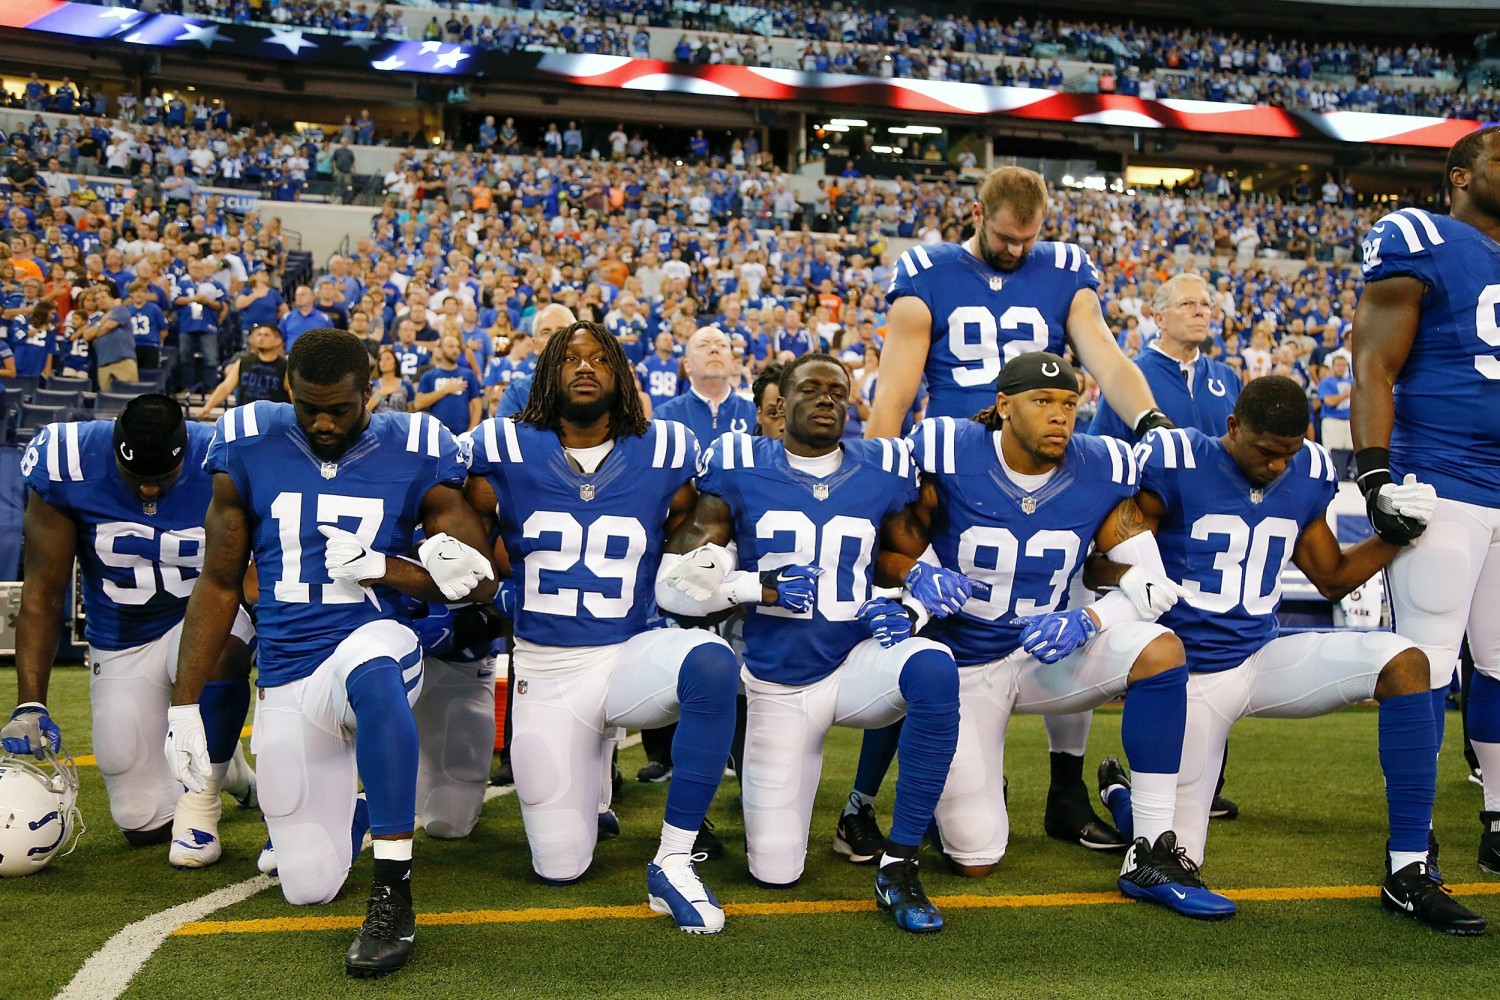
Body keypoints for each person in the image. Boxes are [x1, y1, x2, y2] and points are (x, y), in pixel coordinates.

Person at [167, 329, 497, 977]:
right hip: (290, 673)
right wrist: (183, 707)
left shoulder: (421, 446)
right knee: (307, 884)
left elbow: (477, 581)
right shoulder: (246, 439)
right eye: (308, 406)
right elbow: (218, 581)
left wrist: (387, 568)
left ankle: (393, 893)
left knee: (372, 671)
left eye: (340, 409)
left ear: (369, 391)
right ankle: (360, 808)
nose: (322, 421)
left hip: (378, 640)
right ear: (287, 389)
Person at [1102, 377, 1485, 934]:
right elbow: (1101, 558)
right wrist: (1130, 576)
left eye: (1290, 451)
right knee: (1175, 854)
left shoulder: (1307, 471)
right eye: (1265, 451)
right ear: (1233, 428)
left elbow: (1330, 578)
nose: (1278, 465)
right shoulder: (1176, 458)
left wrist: (1396, 535)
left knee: (1406, 663)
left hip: (1260, 659)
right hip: (1188, 679)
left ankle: (1409, 872)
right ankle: (1123, 799)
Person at [861, 165, 1170, 852]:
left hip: (1047, 458)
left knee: (1063, 599)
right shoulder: (928, 269)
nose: (1016, 251)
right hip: (961, 467)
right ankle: (904, 791)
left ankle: (1067, 786)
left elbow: (1105, 356)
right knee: (934, 626)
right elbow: (897, 378)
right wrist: (880, 467)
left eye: (1029, 238)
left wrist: (1149, 419)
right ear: (978, 214)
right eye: (1005, 237)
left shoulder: (1064, 268)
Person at [879, 351, 1232, 919]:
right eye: (1042, 401)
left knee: (1160, 650)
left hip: (1045, 652)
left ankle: (1150, 849)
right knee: (975, 856)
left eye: (1069, 403)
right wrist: (917, 574)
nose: (1060, 416)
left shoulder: (1102, 466)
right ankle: (972, 788)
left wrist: (1088, 619)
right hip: (964, 666)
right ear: (1003, 406)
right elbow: (884, 542)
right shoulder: (946, 450)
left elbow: (1155, 590)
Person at [657, 353, 960, 933]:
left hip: (855, 664)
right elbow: (674, 588)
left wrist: (911, 606)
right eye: (811, 389)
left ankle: (899, 864)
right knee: (775, 869)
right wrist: (754, 586)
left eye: (838, 391)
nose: (826, 399)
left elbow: (920, 565)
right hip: (778, 682)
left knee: (933, 666)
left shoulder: (883, 467)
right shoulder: (738, 465)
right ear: (780, 403)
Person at [463, 321, 739, 933]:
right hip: (547, 667)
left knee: (713, 663)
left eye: (599, 359)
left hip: (627, 654)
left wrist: (709, 560)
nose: (584, 368)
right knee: (559, 865)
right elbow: (453, 512)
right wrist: (492, 578)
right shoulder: (502, 445)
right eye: (570, 358)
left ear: (621, 374)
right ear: (547, 375)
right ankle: (590, 792)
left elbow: (709, 513)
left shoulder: (666, 447)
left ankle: (673, 860)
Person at [2, 396, 257, 869]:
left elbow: (253, 577)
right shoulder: (69, 461)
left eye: (162, 479)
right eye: (134, 476)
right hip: (121, 636)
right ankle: (234, 770)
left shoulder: (225, 455)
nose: (148, 490)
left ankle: (204, 801)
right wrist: (31, 703)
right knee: (142, 821)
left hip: (203, 617)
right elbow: (42, 590)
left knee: (224, 651)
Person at [1351, 125, 1500, 875]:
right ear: (1462, 175)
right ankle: (1410, 855)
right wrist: (1375, 473)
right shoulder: (1420, 235)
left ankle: (1499, 816)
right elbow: (1374, 360)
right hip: (1443, 479)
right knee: (1426, 662)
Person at [1090, 271, 1244, 822]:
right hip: (1153, 534)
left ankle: (1206, 777)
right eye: (1187, 304)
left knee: (1218, 653)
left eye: (1207, 304)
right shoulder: (1131, 376)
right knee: (1163, 649)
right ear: (1158, 315)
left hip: (1214, 536)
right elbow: (1108, 455)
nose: (1201, 312)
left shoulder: (1226, 376)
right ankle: (1147, 776)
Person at [495, 303, 575, 417]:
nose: (554, 338)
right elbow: (504, 433)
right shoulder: (516, 393)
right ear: (535, 345)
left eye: (562, 331)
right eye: (546, 332)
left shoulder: (592, 387)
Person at [196, 323, 289, 419]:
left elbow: (293, 394)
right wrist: (207, 408)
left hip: (274, 420)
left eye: (266, 335)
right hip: (246, 418)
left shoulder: (285, 366)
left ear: (278, 341)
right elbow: (226, 387)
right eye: (259, 334)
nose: (261, 338)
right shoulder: (244, 361)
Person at [414, 334, 482, 435]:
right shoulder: (429, 376)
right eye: (451, 346)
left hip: (462, 434)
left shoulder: (469, 374)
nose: (455, 350)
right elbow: (418, 403)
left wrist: (470, 432)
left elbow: (477, 405)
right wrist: (446, 390)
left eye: (457, 347)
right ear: (440, 351)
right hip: (435, 434)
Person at [1317, 353, 1353, 478]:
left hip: (1349, 420)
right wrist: (1345, 395)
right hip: (1332, 419)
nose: (1341, 368)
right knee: (1333, 451)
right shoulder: (1326, 383)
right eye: (1338, 365)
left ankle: (1349, 475)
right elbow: (1329, 401)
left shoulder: (1352, 381)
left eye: (1344, 365)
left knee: (1350, 451)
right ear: (1332, 367)